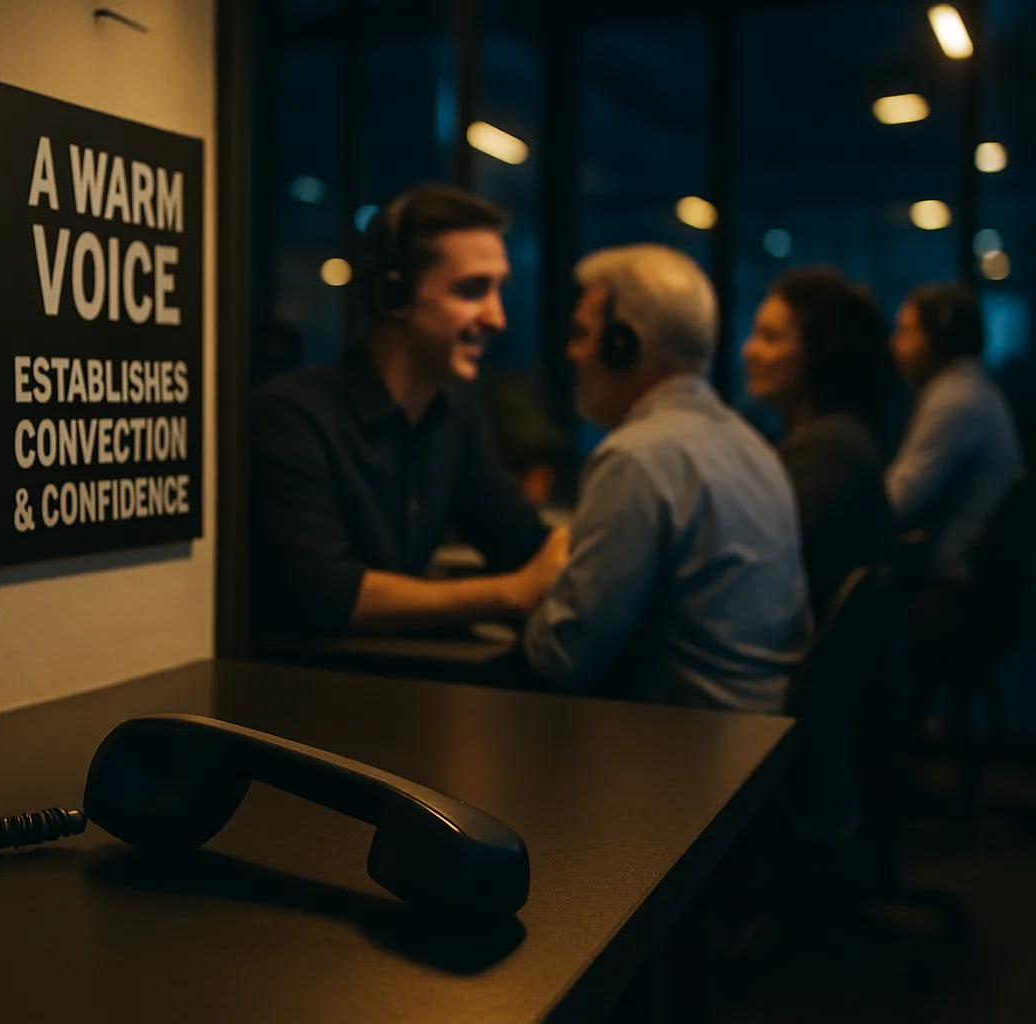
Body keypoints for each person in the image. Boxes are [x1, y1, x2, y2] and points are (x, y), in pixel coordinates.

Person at [250, 184, 567, 639]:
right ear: (394, 295)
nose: (497, 318)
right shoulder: (291, 416)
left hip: (399, 687)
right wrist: (510, 593)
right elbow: (322, 591)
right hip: (305, 695)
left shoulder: (452, 414)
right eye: (473, 289)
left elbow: (519, 542)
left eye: (498, 290)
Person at [523, 244, 809, 713]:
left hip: (681, 749)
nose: (571, 352)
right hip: (763, 742)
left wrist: (534, 592)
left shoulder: (636, 457)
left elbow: (562, 658)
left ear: (623, 345)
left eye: (582, 332)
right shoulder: (753, 447)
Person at [742, 268, 896, 619]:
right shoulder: (832, 438)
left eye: (770, 337)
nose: (748, 350)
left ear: (821, 350)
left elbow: (757, 563)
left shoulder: (830, 452)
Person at [886, 283, 1024, 586]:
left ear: (938, 337)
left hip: (958, 587)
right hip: (979, 581)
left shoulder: (954, 399)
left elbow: (898, 502)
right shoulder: (969, 387)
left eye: (905, 332)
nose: (894, 345)